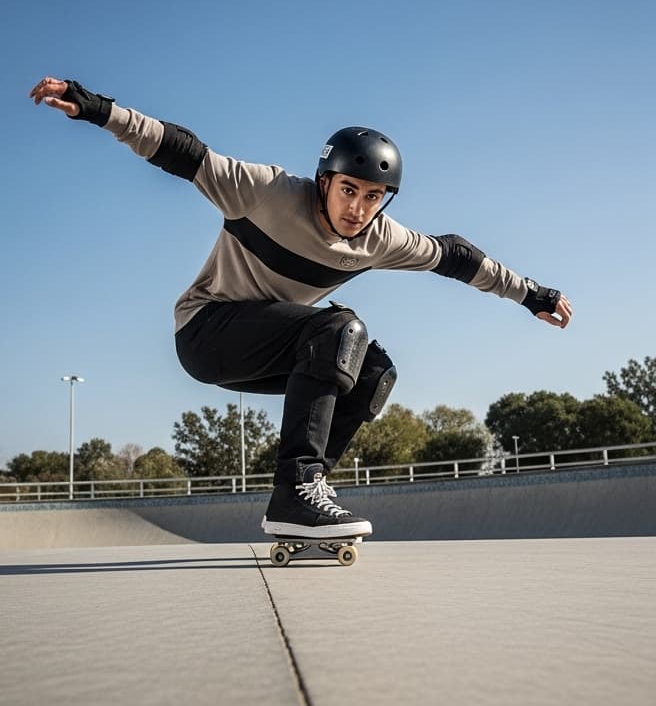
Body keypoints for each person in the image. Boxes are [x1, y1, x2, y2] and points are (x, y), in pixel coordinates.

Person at [29, 76, 571, 539]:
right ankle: (295, 489)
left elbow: (457, 256)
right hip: (205, 333)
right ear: (325, 180)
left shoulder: (381, 239)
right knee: (341, 328)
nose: (358, 208)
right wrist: (98, 109)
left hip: (276, 345)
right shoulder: (265, 192)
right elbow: (182, 150)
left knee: (375, 371)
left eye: (373, 197)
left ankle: (304, 493)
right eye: (349, 190)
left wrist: (532, 295)